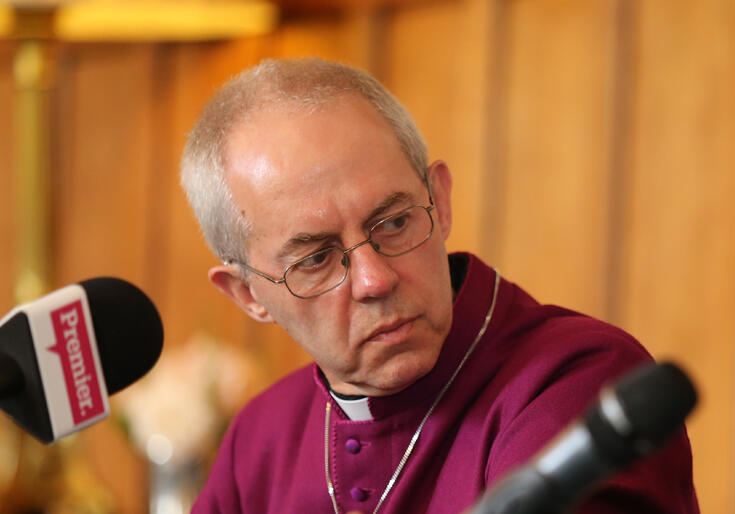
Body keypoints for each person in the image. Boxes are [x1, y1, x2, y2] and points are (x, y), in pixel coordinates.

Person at [181, 58, 699, 513]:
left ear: (440, 201)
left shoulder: (574, 381)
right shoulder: (261, 437)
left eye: (394, 223)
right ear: (248, 295)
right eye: (317, 258)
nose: (374, 280)